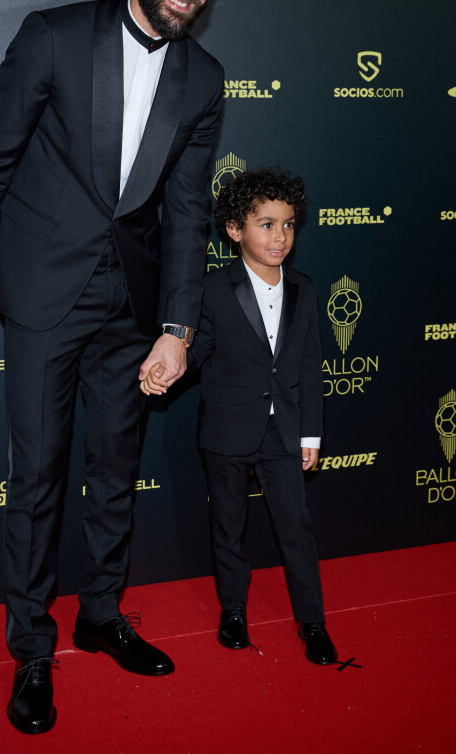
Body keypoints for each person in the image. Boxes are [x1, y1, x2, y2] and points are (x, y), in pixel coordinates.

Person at [0, 0, 224, 734]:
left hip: (130, 304)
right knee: (36, 475)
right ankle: (33, 646)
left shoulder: (205, 79)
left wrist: (176, 328)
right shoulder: (55, 35)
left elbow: (186, 214)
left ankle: (101, 615)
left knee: (115, 470)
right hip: (39, 291)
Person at [141, 168, 337, 666]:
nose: (280, 237)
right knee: (227, 526)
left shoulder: (306, 288)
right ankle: (233, 611)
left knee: (297, 529)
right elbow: (198, 349)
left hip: (285, 431)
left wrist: (310, 431)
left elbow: (311, 365)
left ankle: (312, 622)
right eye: (266, 224)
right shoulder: (211, 288)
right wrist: (168, 368)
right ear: (233, 229)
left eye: (289, 224)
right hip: (226, 431)